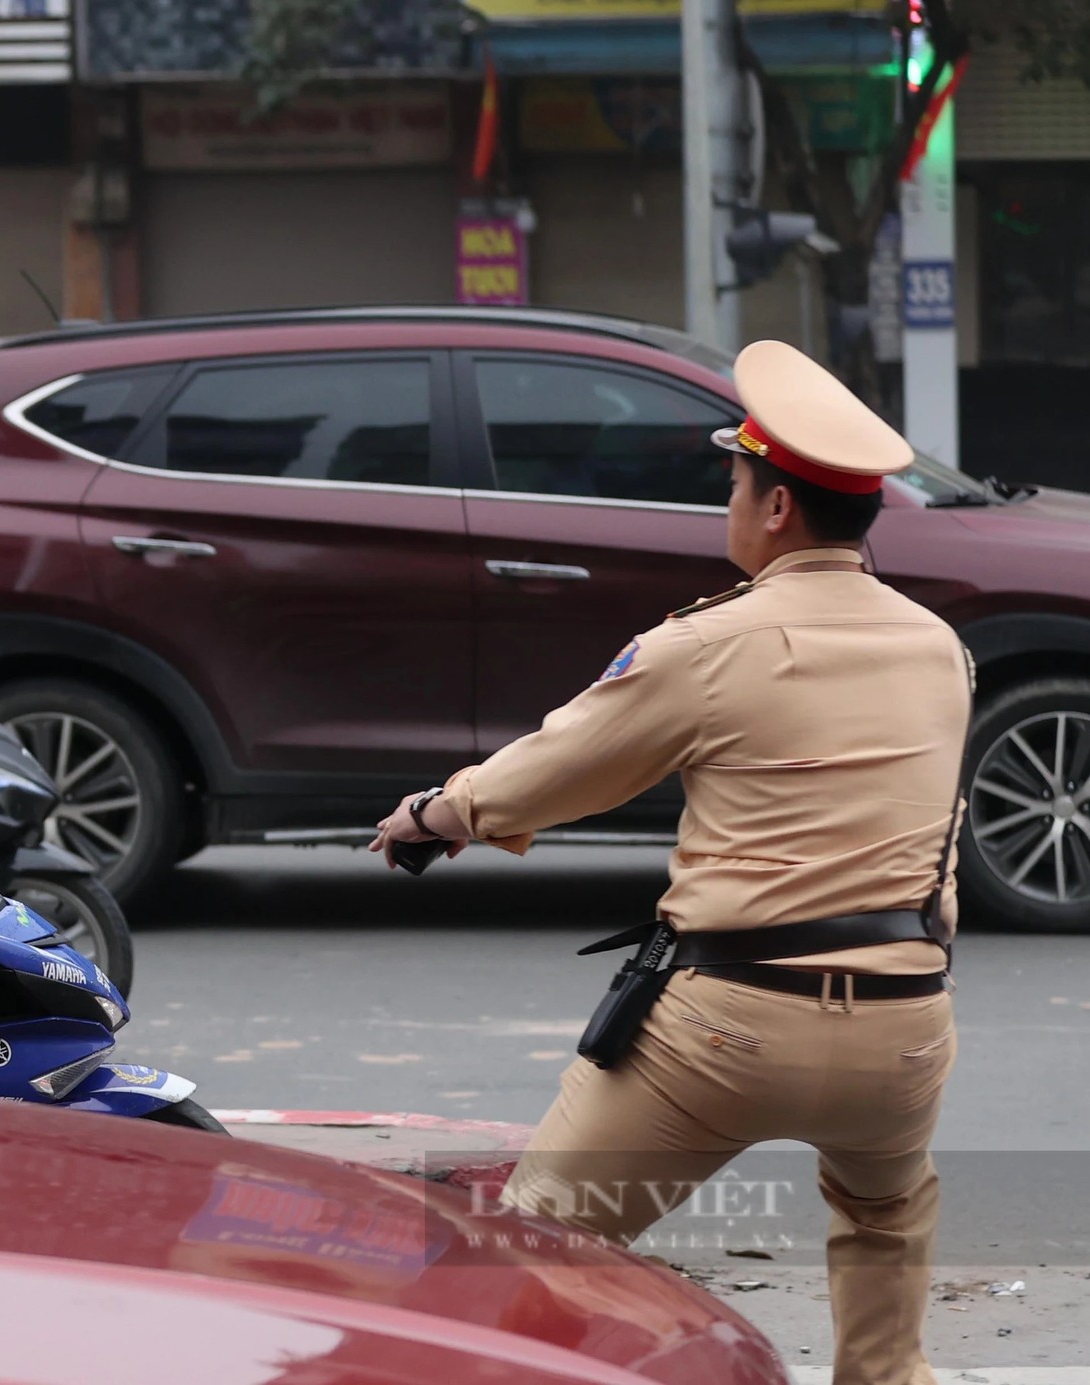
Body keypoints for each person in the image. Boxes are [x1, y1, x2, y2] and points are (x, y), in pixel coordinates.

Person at [370, 340, 971, 1385]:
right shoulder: (938, 648)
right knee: (882, 1224)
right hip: (903, 1033)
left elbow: (554, 771)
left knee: (532, 1251)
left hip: (727, 1031)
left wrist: (434, 812)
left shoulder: (707, 645)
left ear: (775, 509)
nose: (726, 506)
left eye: (734, 484)